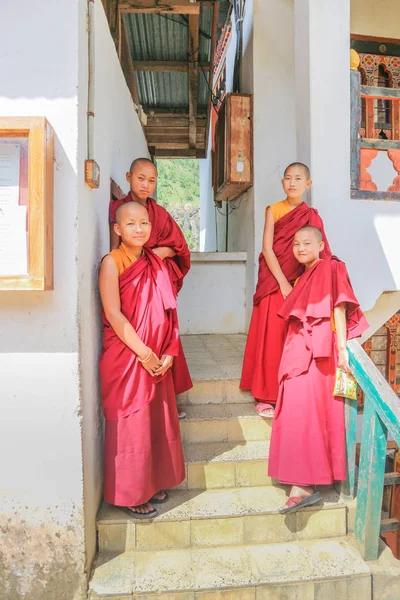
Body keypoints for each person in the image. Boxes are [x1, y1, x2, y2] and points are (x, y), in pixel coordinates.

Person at [268, 226, 368, 513]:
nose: (300, 248)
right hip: (299, 347)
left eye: (307, 243)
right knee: (294, 409)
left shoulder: (330, 267)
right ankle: (301, 479)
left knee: (306, 411)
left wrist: (342, 349)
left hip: (320, 349)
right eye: (296, 244)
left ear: (321, 245)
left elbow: (337, 307)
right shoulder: (303, 276)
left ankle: (303, 484)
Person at [99, 201, 186, 518]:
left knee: (155, 421)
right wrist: (143, 351)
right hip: (129, 355)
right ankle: (130, 492)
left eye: (144, 224)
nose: (139, 229)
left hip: (157, 356)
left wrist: (168, 351)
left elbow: (169, 309)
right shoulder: (112, 262)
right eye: (131, 224)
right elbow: (113, 312)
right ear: (118, 229)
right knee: (132, 424)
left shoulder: (154, 262)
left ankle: (153, 481)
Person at [240, 163, 331, 418]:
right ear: (282, 183)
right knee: (270, 338)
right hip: (274, 282)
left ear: (307, 184)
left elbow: (319, 252)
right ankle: (265, 395)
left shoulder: (312, 216)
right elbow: (268, 249)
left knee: (293, 341)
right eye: (288, 178)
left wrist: (305, 285)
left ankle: (290, 391)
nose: (292, 183)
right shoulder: (274, 210)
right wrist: (282, 283)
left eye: (298, 178)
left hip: (300, 285)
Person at [110, 157, 192, 417]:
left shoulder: (160, 214)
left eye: (152, 181)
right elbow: (115, 249)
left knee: (165, 334)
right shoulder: (118, 209)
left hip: (157, 280)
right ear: (128, 177)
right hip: (131, 282)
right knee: (136, 337)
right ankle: (140, 402)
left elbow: (179, 249)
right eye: (140, 179)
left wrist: (156, 253)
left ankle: (167, 400)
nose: (146, 185)